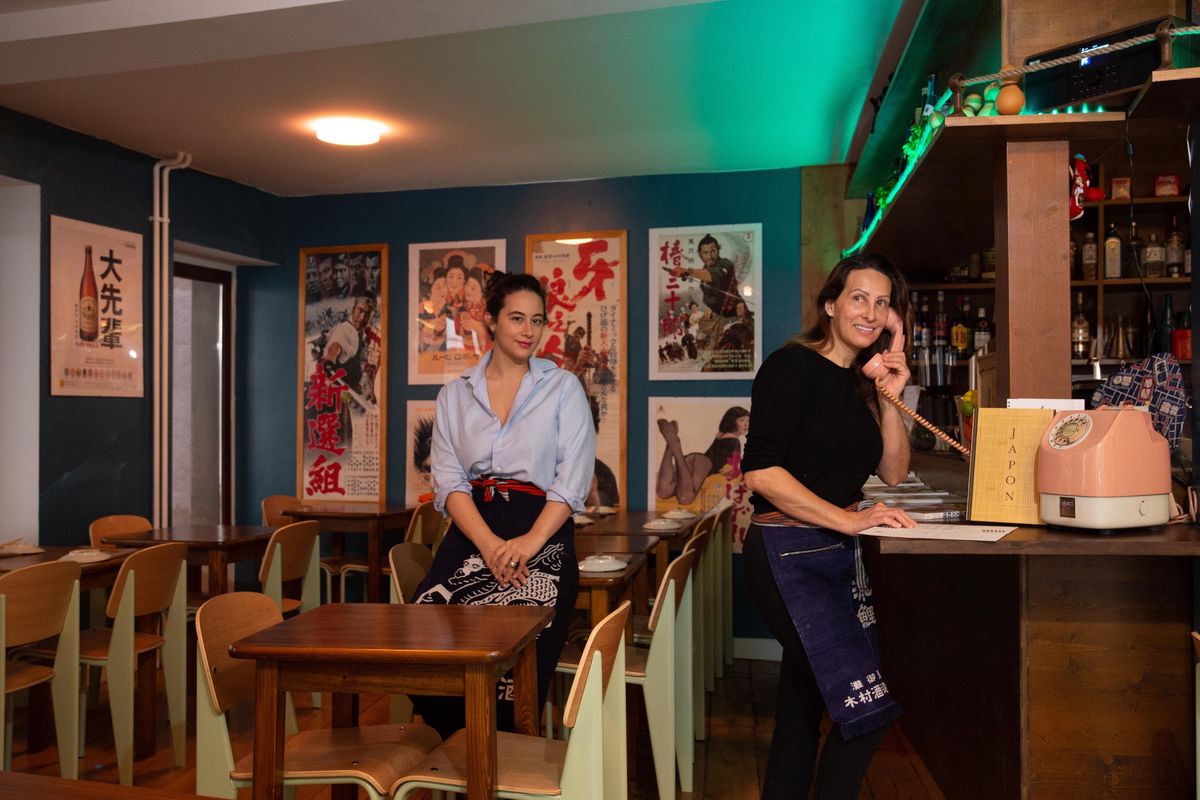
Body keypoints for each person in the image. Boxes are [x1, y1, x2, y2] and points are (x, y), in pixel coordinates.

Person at [741, 252, 917, 800]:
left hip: (835, 557)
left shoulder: (859, 383)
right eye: (859, 297)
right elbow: (761, 473)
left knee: (801, 709)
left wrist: (891, 390)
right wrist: (848, 518)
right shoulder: (790, 366)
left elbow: (892, 471)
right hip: (785, 553)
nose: (870, 311)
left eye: (882, 303)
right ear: (830, 305)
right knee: (868, 710)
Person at [413, 272, 595, 737]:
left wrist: (528, 543)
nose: (528, 330)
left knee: (515, 669)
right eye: (516, 318)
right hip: (475, 530)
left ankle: (501, 762)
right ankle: (464, 757)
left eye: (537, 320)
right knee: (419, 645)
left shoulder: (564, 388)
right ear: (490, 320)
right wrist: (492, 545)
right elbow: (450, 480)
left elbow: (570, 481)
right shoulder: (455, 394)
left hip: (542, 532)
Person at [656, 405, 749, 506]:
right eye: (741, 420)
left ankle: (671, 445)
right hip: (704, 465)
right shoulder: (734, 441)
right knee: (685, 499)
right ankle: (676, 448)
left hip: (695, 460)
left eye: (748, 421)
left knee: (664, 492)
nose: (746, 424)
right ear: (731, 421)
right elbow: (732, 469)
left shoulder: (721, 434)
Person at [671, 234, 740, 317]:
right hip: (719, 316)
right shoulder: (705, 268)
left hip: (735, 315)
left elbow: (713, 274)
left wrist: (686, 271)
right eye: (705, 252)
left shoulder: (726, 264)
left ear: (718, 250)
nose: (709, 256)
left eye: (713, 251)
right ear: (700, 254)